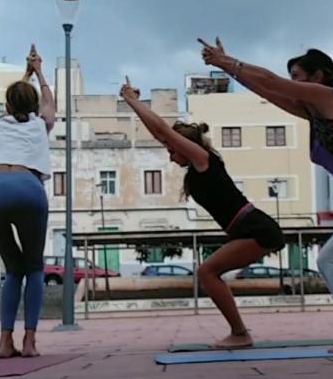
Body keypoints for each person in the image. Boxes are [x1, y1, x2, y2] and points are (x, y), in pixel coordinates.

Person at [199, 38, 333, 353]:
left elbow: (273, 82)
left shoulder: (331, 98)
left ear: (317, 77)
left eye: (297, 76)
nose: (292, 83)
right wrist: (230, 69)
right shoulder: (314, 114)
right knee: (332, 259)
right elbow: (267, 90)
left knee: (330, 259)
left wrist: (226, 61)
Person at [119, 77, 284, 349]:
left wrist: (133, 101)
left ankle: (240, 334)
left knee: (207, 273)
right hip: (245, 228)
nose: (170, 156)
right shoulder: (196, 165)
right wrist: (134, 106)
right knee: (209, 273)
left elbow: (164, 130)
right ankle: (239, 332)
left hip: (255, 227)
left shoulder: (202, 158)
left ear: (185, 146)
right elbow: (161, 134)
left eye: (173, 151)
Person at [0, 45, 54, 358]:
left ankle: (4, 342)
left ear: (6, 107)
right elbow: (46, 103)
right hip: (27, 188)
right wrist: (39, 71)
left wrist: (26, 72)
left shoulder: (0, 124)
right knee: (34, 268)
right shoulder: (39, 125)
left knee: (13, 268)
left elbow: (17, 100)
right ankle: (30, 341)